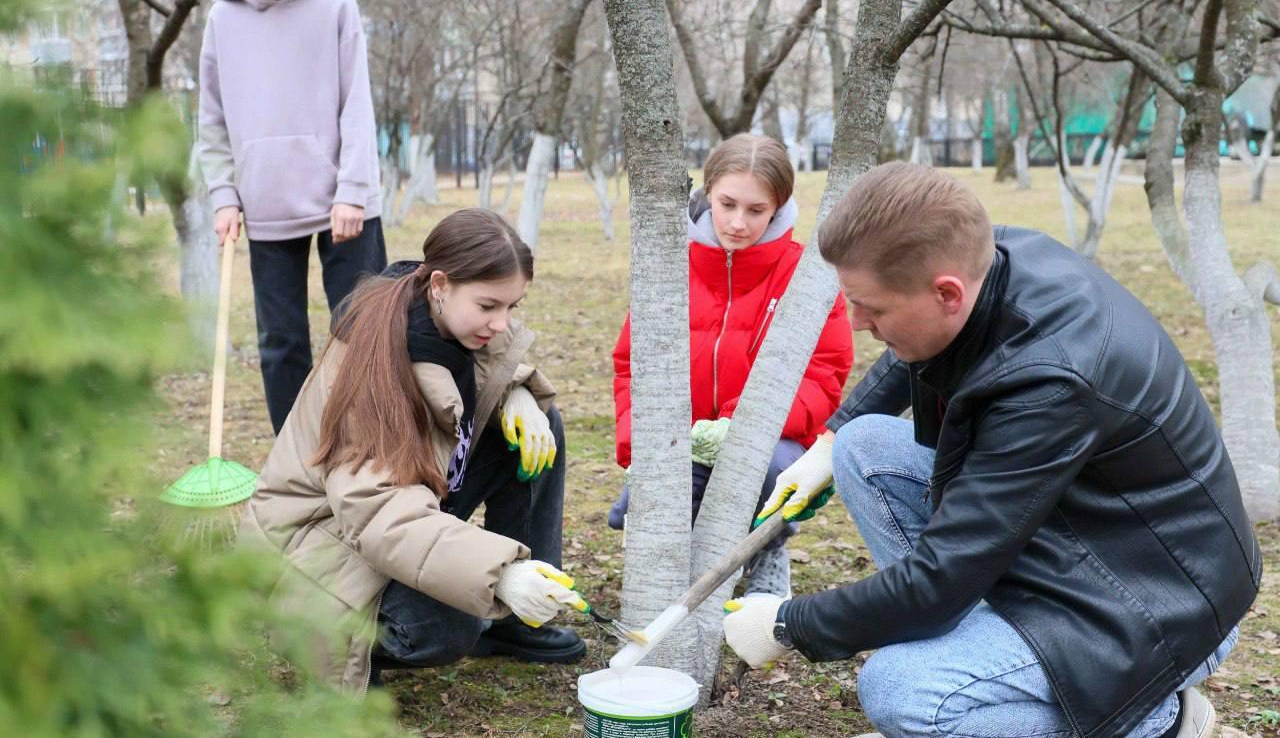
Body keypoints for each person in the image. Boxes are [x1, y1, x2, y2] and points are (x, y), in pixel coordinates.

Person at [723, 162, 1260, 738]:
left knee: (901, 691)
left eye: (871, 309)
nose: (856, 323)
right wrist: (829, 441)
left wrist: (787, 624)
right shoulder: (992, 254)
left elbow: (942, 577)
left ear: (946, 292)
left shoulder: (1049, 385)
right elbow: (913, 348)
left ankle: (1159, 721)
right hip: (1085, 536)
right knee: (865, 446)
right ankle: (980, 660)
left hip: (1162, 603)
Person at [239, 209, 587, 692]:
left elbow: (487, 369)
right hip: (320, 547)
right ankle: (358, 640)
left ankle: (522, 617)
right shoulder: (373, 367)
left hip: (398, 506)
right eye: (489, 306)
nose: (502, 324)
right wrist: (500, 576)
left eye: (513, 306)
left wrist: (519, 394)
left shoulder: (435, 314)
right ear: (440, 284)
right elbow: (377, 511)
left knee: (540, 428)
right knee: (449, 621)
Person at [609, 134, 853, 597]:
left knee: (769, 470)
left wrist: (741, 425)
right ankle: (685, 559)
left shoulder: (807, 275)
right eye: (727, 204)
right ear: (707, 194)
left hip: (768, 439)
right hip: (680, 438)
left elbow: (825, 374)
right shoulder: (669, 267)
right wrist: (638, 445)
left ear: (779, 208)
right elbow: (630, 365)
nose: (738, 223)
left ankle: (765, 553)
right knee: (632, 509)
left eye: (756, 210)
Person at [198, 0, 386, 434]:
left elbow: (357, 104)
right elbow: (210, 116)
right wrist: (223, 195)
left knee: (361, 337)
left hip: (343, 204)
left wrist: (353, 189)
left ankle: (368, 451)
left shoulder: (334, 3)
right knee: (280, 344)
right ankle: (294, 465)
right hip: (266, 204)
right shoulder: (223, 17)